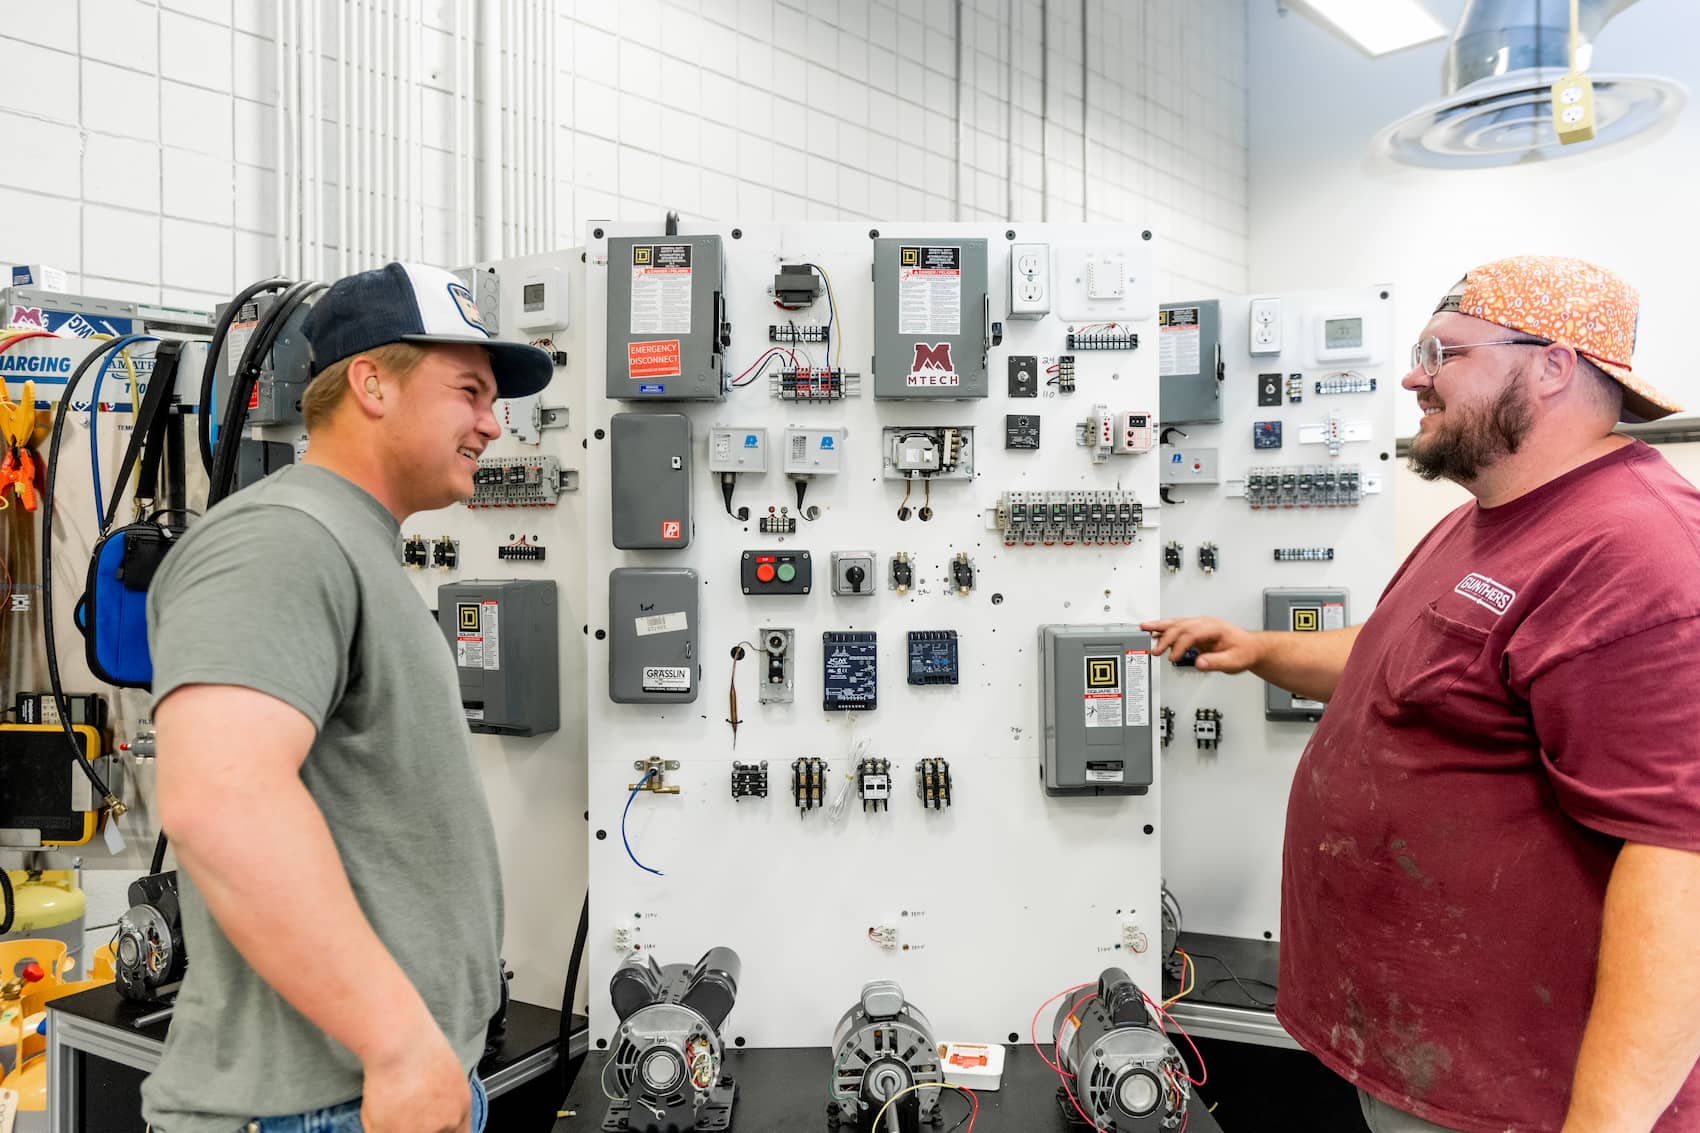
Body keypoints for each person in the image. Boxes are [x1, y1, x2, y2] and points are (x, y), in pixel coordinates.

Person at [1144, 256, 1700, 1133]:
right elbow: (1396, 655)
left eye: (1443, 352)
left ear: (1552, 365)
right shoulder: (1485, 517)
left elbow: (1682, 864)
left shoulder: (1639, 554)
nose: (1413, 375)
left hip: (1526, 1099)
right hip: (1424, 1062)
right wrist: (1259, 649)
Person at [143, 264, 552, 1133]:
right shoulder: (282, 539)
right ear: (370, 383)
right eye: (469, 391)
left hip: (382, 1087)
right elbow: (220, 799)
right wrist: (400, 1045)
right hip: (322, 1104)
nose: (493, 422)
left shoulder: (353, 547)